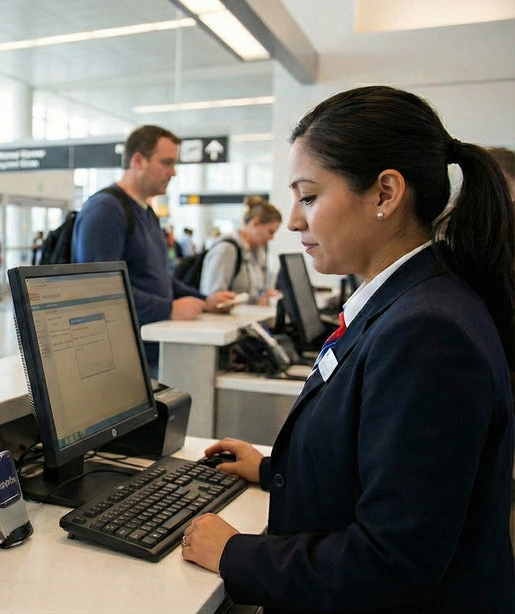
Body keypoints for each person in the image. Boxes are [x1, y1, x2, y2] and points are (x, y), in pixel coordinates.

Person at [181, 86, 515, 613]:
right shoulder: (413, 302)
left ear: (385, 194)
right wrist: (272, 470)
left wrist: (234, 554)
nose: (293, 222)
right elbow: (392, 468)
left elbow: (391, 564)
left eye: (309, 197)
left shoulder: (426, 333)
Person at [72, 125, 234, 374]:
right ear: (138, 160)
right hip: (122, 362)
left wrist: (206, 301)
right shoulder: (105, 210)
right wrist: (167, 309)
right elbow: (98, 289)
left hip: (152, 352)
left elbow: (159, 278)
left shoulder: (146, 212)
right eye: (166, 163)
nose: (173, 172)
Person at [198, 196, 282, 305]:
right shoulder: (227, 249)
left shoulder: (257, 252)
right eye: (270, 232)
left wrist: (264, 295)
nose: (272, 238)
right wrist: (253, 302)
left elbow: (255, 290)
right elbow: (213, 299)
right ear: (255, 223)